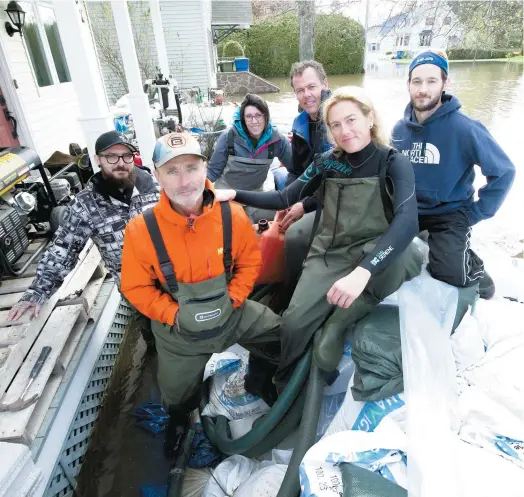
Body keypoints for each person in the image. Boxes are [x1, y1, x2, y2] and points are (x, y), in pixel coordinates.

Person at [215, 86, 422, 386]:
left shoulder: (392, 161)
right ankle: (283, 381)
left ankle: (339, 321)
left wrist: (364, 272)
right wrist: (234, 193)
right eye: (335, 125)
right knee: (293, 326)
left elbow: (407, 222)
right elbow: (286, 196)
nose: (344, 131)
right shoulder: (326, 162)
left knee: (404, 257)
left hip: (373, 250)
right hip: (329, 254)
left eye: (351, 120)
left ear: (370, 118)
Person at [120, 132, 281, 458]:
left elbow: (250, 262)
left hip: (232, 315)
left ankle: (264, 380)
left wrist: (234, 298)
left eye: (191, 168)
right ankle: (179, 422)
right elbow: (135, 287)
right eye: (172, 171)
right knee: (176, 392)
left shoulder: (232, 215)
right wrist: (173, 315)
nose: (184, 181)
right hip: (179, 333)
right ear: (156, 175)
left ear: (206, 167)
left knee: (281, 334)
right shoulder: (140, 230)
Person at [7, 130, 160, 345]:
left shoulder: (158, 187)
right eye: (111, 157)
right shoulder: (85, 205)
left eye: (126, 156)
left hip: (173, 279)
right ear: (98, 159)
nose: (120, 163)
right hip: (135, 290)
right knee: (154, 338)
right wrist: (37, 292)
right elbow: (62, 250)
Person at [392, 49, 516, 302]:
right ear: (408, 84)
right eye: (417, 81)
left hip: (449, 212)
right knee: (375, 254)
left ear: (445, 83)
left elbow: (503, 171)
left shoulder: (464, 127)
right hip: (409, 211)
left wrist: (477, 212)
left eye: (431, 81)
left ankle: (474, 267)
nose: (423, 89)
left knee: (449, 273)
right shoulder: (398, 129)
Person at [281, 60, 334, 281]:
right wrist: (286, 200)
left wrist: (304, 205)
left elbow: (338, 178)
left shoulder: (338, 119)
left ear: (325, 84)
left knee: (294, 236)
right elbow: (295, 170)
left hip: (336, 199)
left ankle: (294, 286)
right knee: (276, 217)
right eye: (300, 90)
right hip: (312, 193)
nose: (307, 95)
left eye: (312, 87)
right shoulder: (299, 122)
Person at [207, 93, 292, 223]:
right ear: (242, 118)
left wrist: (289, 195)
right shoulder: (227, 137)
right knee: (232, 226)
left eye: (258, 115)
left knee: (284, 218)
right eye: (249, 116)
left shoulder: (277, 140)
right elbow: (212, 172)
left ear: (266, 116)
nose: (254, 121)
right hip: (226, 196)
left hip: (254, 198)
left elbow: (296, 169)